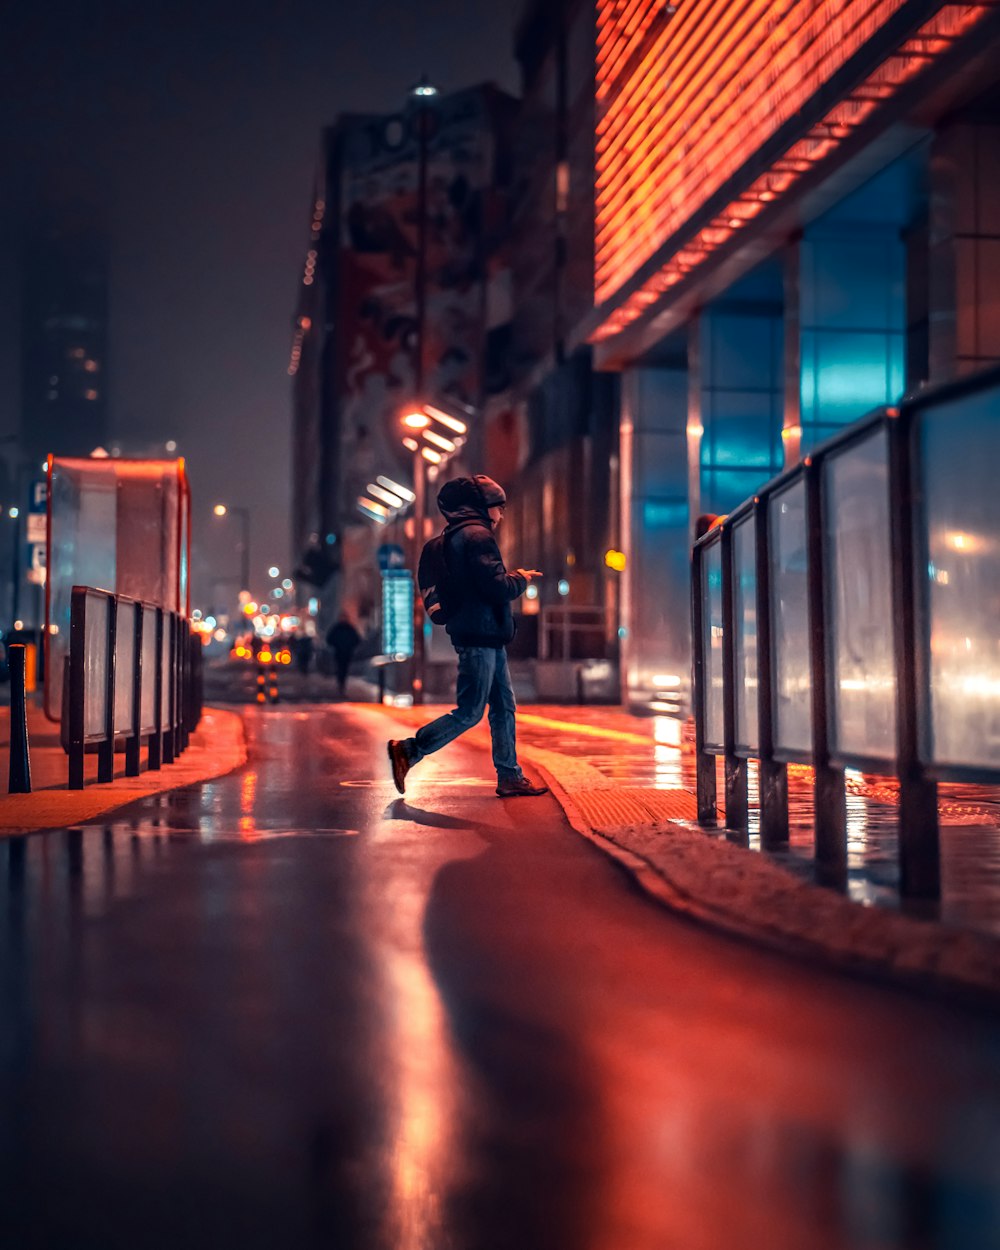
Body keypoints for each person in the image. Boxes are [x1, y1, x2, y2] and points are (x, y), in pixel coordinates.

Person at [387, 474, 549, 799]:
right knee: (471, 711)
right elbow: (494, 586)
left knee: (504, 707)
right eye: (498, 508)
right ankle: (409, 750)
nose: (500, 515)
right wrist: (519, 579)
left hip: (484, 636)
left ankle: (509, 775)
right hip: (480, 635)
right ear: (482, 507)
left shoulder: (452, 537)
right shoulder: (477, 537)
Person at [326, 614, 361, 699]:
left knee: (343, 669)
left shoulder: (346, 628)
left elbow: (357, 639)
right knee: (341, 669)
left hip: (345, 652)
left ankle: (341, 685)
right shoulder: (339, 628)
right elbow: (329, 639)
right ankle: (341, 685)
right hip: (341, 652)